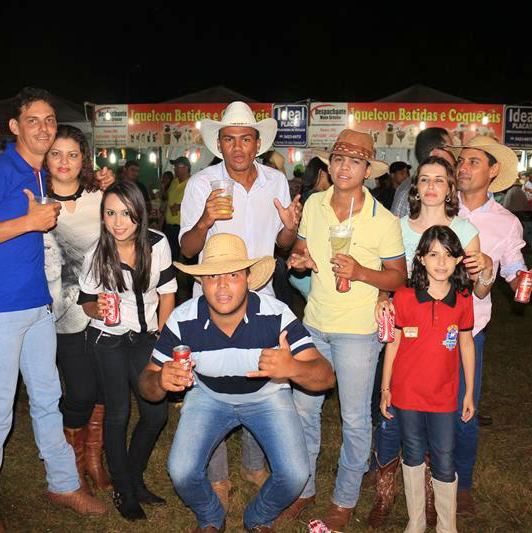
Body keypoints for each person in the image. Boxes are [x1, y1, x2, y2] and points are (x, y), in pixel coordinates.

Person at [0, 87, 106, 532]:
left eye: (50, 120)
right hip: (1, 310)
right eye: (33, 120)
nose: (43, 127)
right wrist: (27, 222)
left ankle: (63, 483)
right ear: (15, 126)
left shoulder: (40, 174)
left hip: (39, 306)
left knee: (47, 399)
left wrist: (101, 182)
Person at [138, 233, 335, 532]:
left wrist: (293, 367)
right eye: (212, 276)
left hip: (267, 396)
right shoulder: (182, 319)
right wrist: (160, 380)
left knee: (295, 475)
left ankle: (258, 518)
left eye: (233, 274)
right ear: (201, 282)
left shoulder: (276, 314)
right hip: (208, 395)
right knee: (181, 472)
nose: (222, 285)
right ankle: (210, 517)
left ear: (248, 279)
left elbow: (326, 377)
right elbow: (147, 384)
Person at [179, 101, 302, 508]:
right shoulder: (201, 184)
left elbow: (282, 244)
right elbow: (187, 249)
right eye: (229, 139)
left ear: (257, 144)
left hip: (261, 294)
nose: (237, 147)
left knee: (260, 377)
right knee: (209, 382)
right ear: (219, 144)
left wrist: (290, 229)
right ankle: (217, 475)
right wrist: (205, 220)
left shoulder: (276, 181)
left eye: (245, 139)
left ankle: (252, 463)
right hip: (214, 298)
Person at [284, 129, 407, 530]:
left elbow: (398, 277)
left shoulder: (383, 219)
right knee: (303, 411)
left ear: (368, 170)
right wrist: (299, 260)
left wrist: (361, 272)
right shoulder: (315, 204)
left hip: (357, 331)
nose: (344, 167)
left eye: (355, 161)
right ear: (329, 163)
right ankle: (302, 489)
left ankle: (344, 499)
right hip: (314, 324)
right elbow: (301, 248)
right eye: (338, 159)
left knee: (354, 419)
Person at [367, 156, 492, 529]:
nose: (432, 186)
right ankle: (388, 496)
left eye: (440, 179)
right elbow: (389, 277)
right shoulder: (396, 227)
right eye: (424, 179)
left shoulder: (464, 230)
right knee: (392, 422)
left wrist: (486, 270)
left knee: (445, 432)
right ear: (414, 187)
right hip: (407, 332)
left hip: (450, 335)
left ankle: (439, 506)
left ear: (451, 187)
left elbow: (478, 289)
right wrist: (383, 298)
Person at [451, 135, 532, 513]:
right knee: (417, 404)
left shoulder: (506, 223)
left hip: (469, 329)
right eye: (461, 161)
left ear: (493, 171)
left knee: (464, 408)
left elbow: (513, 269)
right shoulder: (438, 204)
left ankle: (462, 484)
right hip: (423, 326)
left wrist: (526, 279)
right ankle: (415, 470)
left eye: (473, 162)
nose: (463, 167)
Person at [79, 181, 177, 521]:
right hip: (107, 338)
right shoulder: (96, 253)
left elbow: (167, 292)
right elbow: (86, 301)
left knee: (156, 414)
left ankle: (134, 477)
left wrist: (162, 338)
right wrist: (97, 308)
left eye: (126, 213)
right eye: (110, 213)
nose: (118, 222)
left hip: (146, 335)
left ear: (140, 212)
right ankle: (123, 488)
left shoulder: (157, 243)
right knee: (118, 413)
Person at [381, 225, 476, 533]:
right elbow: (393, 344)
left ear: (458, 259)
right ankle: (417, 522)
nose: (441, 262)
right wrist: (385, 388)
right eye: (433, 254)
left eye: (448, 255)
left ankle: (447, 527)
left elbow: (466, 344)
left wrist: (469, 392)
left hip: (443, 396)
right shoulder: (404, 296)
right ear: (420, 258)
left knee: (444, 457)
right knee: (411, 452)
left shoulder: (463, 299)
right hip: (407, 393)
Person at [42, 124, 115, 499]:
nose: (64, 162)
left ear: (83, 159)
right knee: (81, 391)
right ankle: (73, 462)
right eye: (56, 153)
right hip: (59, 313)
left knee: (103, 389)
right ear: (45, 158)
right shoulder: (35, 202)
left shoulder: (100, 197)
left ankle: (94, 459)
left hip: (104, 309)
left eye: (72, 154)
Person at [391, 127, 456, 219]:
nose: (454, 155)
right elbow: (396, 227)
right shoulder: (408, 192)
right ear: (435, 154)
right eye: (451, 149)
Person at [164, 156, 191, 261]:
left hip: (182, 227)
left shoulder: (192, 182)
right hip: (169, 226)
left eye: (177, 166)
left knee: (184, 258)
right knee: (169, 256)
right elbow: (168, 201)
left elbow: (198, 204)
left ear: (186, 168)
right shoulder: (174, 182)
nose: (174, 169)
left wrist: (180, 206)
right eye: (174, 167)